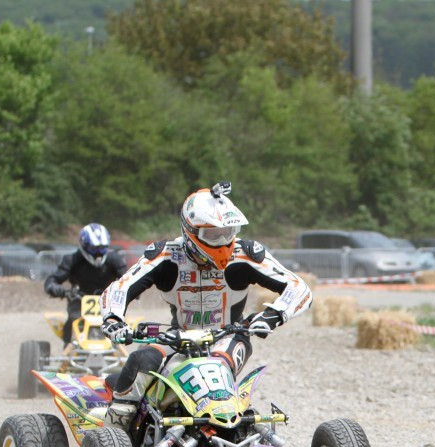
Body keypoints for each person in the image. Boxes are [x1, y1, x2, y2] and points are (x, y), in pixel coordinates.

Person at [99, 181, 312, 432]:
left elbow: (300, 288)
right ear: (190, 231)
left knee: (217, 364)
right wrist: (114, 320)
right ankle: (111, 438)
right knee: (139, 361)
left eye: (229, 231)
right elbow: (118, 288)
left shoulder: (245, 254)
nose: (223, 240)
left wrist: (273, 316)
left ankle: (238, 433)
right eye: (213, 234)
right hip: (177, 338)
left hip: (229, 336)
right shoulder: (166, 256)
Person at [44, 223, 128, 343]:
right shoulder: (72, 260)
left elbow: (129, 278)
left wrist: (133, 290)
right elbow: (52, 280)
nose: (98, 253)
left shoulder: (114, 260)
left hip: (109, 302)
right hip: (78, 301)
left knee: (121, 325)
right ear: (84, 246)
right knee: (73, 321)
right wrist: (57, 289)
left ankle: (117, 349)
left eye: (102, 248)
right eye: (94, 249)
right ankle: (68, 349)